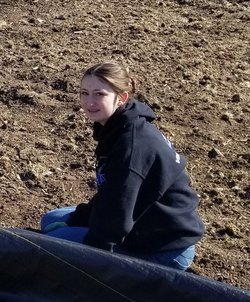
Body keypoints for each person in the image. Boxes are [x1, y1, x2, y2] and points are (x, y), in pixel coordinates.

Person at [39, 61, 204, 270]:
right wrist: (79, 218)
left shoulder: (131, 146)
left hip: (164, 246)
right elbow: (113, 194)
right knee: (51, 220)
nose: (89, 102)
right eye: (84, 93)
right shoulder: (118, 127)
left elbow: (117, 215)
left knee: (54, 240)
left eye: (99, 94)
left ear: (121, 98)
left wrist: (90, 261)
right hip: (145, 220)